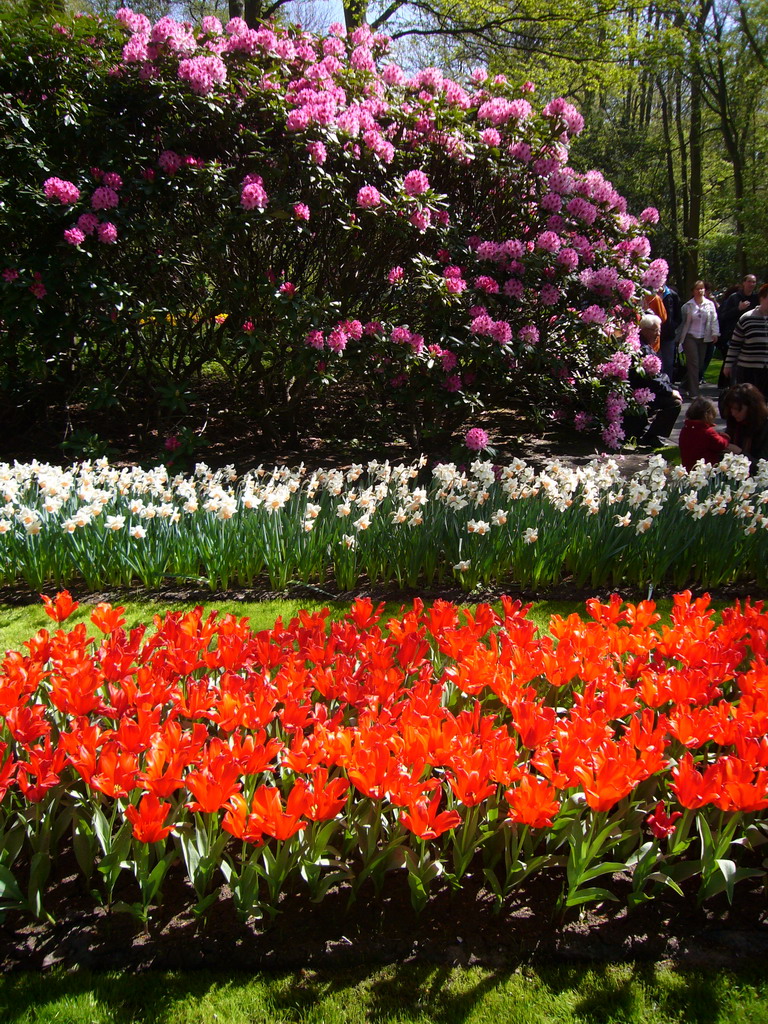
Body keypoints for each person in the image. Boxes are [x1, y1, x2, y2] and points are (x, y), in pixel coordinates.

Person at [623, 313, 682, 448]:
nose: (658, 334)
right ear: (645, 330)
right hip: (640, 393)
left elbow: (658, 376)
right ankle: (651, 436)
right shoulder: (642, 349)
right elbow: (653, 379)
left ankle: (650, 434)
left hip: (644, 391)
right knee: (675, 403)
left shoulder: (643, 345)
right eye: (656, 330)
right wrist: (670, 391)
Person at [722, 282, 768, 397]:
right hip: (748, 369)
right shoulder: (747, 318)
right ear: (762, 298)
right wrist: (728, 365)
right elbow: (735, 344)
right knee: (749, 402)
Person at [677, 280, 719, 398]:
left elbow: (714, 319)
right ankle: (694, 393)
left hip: (704, 337)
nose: (700, 291)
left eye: (702, 288)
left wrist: (715, 333)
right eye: (697, 289)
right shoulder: (687, 306)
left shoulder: (710, 304)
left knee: (699, 365)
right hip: (690, 337)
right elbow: (682, 323)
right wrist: (678, 338)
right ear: (693, 291)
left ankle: (683, 386)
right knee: (694, 364)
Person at [718, 274, 758, 387]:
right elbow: (723, 315)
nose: (751, 284)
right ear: (744, 283)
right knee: (733, 364)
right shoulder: (734, 298)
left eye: (754, 282)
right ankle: (731, 388)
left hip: (750, 338)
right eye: (749, 281)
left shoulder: (756, 299)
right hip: (733, 336)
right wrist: (738, 309)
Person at [678, 397, 740, 471]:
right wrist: (725, 437)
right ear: (708, 415)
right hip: (706, 470)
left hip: (688, 467)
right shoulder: (707, 431)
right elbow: (720, 444)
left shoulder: (685, 429)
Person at [720, 383, 768, 468]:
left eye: (737, 409)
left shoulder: (764, 427)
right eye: (731, 408)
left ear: (751, 408)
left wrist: (740, 453)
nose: (733, 413)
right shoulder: (734, 422)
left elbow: (762, 466)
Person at [658, 284, 682, 381]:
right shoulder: (650, 293)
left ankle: (668, 385)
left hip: (668, 335)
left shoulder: (672, 295)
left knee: (668, 362)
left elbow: (678, 316)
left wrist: (672, 326)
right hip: (654, 335)